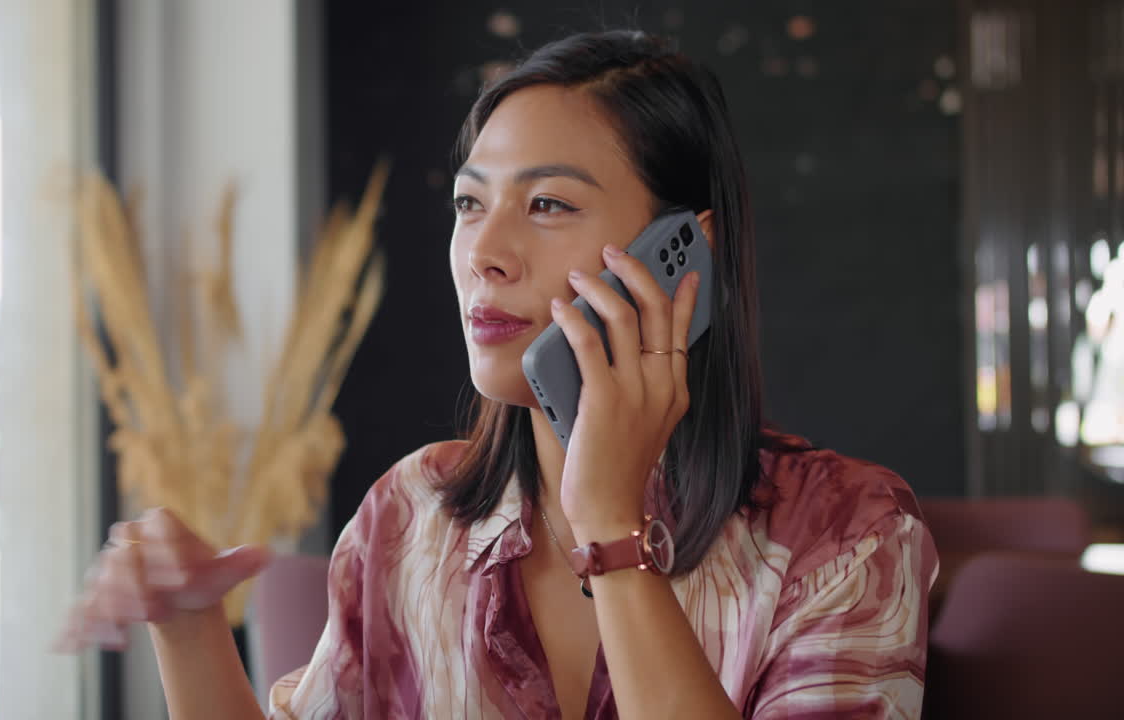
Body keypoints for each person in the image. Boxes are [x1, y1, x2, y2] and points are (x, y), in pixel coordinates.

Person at [59, 30, 938, 719]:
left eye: (548, 204)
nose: (484, 252)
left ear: (683, 257)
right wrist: (185, 625)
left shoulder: (847, 538)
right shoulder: (409, 517)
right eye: (469, 204)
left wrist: (610, 525)